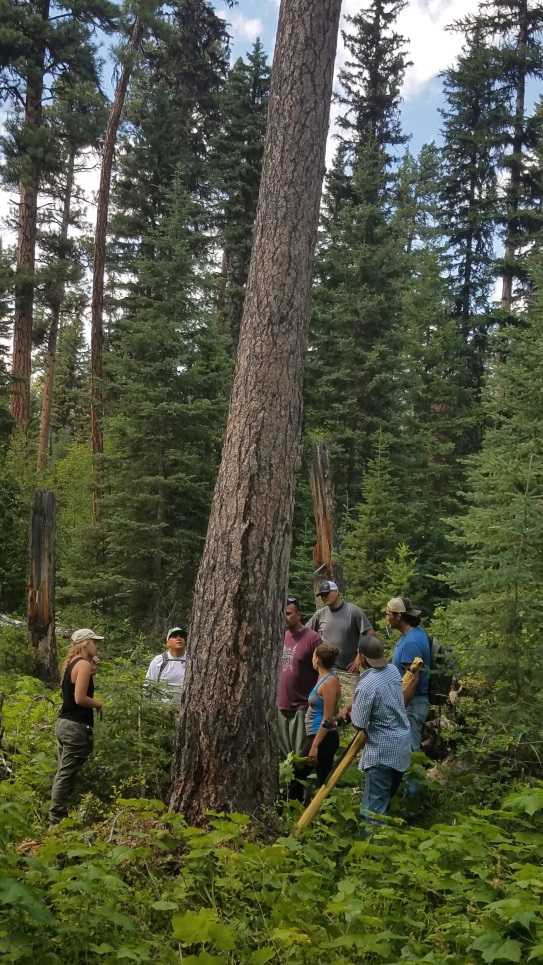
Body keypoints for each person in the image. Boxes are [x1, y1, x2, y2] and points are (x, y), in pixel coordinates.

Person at [349, 636, 411, 831]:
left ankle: (374, 856)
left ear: (361, 656)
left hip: (381, 753)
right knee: (383, 803)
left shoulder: (367, 685)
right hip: (401, 748)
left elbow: (358, 722)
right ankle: (385, 847)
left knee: (373, 812)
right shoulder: (393, 670)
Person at [49, 629, 104, 826]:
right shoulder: (83, 665)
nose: (97, 646)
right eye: (94, 642)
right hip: (75, 727)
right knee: (66, 774)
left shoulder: (76, 664)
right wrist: (98, 704)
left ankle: (59, 817)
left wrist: (92, 670)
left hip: (64, 724)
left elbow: (74, 691)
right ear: (85, 643)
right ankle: (56, 821)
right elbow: (80, 698)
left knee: (63, 771)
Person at [277, 599, 321, 801]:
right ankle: (284, 798)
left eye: (288, 613)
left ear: (299, 615)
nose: (285, 617)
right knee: (283, 758)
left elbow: (323, 672)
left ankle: (301, 799)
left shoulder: (312, 639)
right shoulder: (281, 637)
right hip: (281, 705)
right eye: (283, 613)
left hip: (302, 706)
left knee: (300, 758)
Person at [306, 580, 374, 703]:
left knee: (349, 711)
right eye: (321, 595)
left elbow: (369, 632)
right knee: (327, 711)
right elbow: (306, 633)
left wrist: (360, 655)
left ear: (336, 592)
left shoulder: (353, 611)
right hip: (325, 672)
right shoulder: (320, 614)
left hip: (348, 673)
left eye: (327, 593)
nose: (324, 597)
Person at [386, 597, 430, 752]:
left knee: (409, 750)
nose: (386, 618)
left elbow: (413, 679)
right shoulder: (413, 634)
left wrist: (399, 707)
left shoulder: (411, 642)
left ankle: (415, 776)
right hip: (410, 703)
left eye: (389, 614)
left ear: (399, 616)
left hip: (411, 704)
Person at [305, 644, 341, 789]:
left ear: (318, 659)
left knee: (324, 781)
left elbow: (327, 718)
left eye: (313, 655)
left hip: (324, 739)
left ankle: (326, 808)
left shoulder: (329, 682)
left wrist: (315, 746)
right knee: (313, 777)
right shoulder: (322, 677)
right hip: (315, 736)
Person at [145, 627, 187, 704]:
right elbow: (149, 685)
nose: (179, 638)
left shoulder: (193, 661)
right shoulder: (159, 661)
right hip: (163, 709)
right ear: (167, 643)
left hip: (188, 709)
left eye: (181, 636)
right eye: (174, 636)